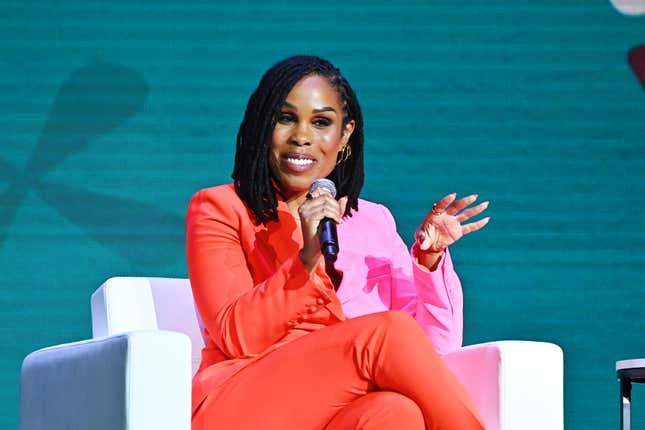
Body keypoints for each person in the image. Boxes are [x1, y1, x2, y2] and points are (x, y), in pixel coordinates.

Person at [186, 55, 490, 430]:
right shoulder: (219, 207)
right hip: (241, 403)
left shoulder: (374, 221)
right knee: (385, 334)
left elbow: (430, 352)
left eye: (321, 122)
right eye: (285, 118)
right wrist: (307, 258)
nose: (302, 136)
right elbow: (237, 335)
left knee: (396, 412)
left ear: (344, 135)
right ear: (263, 126)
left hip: (333, 407)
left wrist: (429, 262)